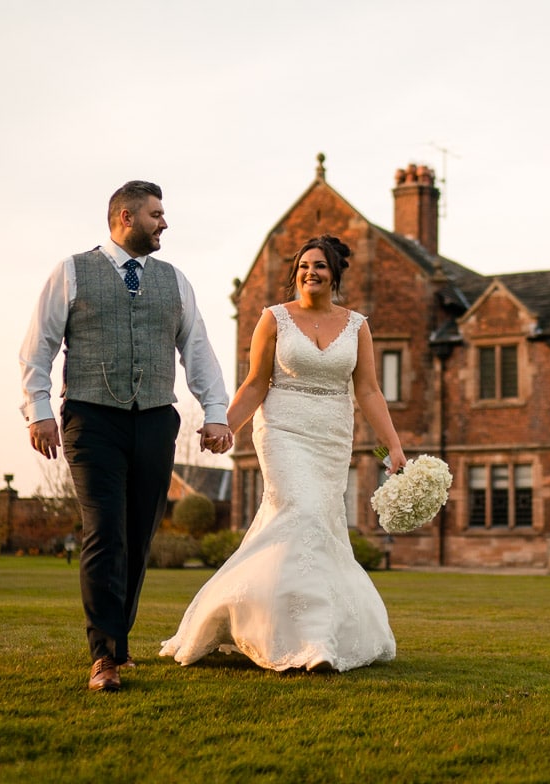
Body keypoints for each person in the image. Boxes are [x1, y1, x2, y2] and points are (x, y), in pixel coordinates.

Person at [20, 180, 233, 693]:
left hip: (156, 418)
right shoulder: (71, 271)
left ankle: (119, 641)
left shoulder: (175, 281)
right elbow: (38, 346)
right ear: (124, 216)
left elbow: (197, 350)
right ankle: (104, 657)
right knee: (104, 532)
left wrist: (216, 411)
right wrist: (39, 411)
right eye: (156, 214)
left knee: (138, 535)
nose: (164, 223)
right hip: (91, 419)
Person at [160, 234, 404, 672]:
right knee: (303, 511)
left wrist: (395, 448)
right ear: (295, 274)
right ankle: (311, 643)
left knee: (318, 527)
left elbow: (368, 390)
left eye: (321, 266)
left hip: (331, 434)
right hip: (282, 429)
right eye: (304, 266)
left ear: (334, 276)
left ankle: (296, 628)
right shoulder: (273, 319)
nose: (311, 272)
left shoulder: (356, 325)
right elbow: (256, 382)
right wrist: (225, 426)